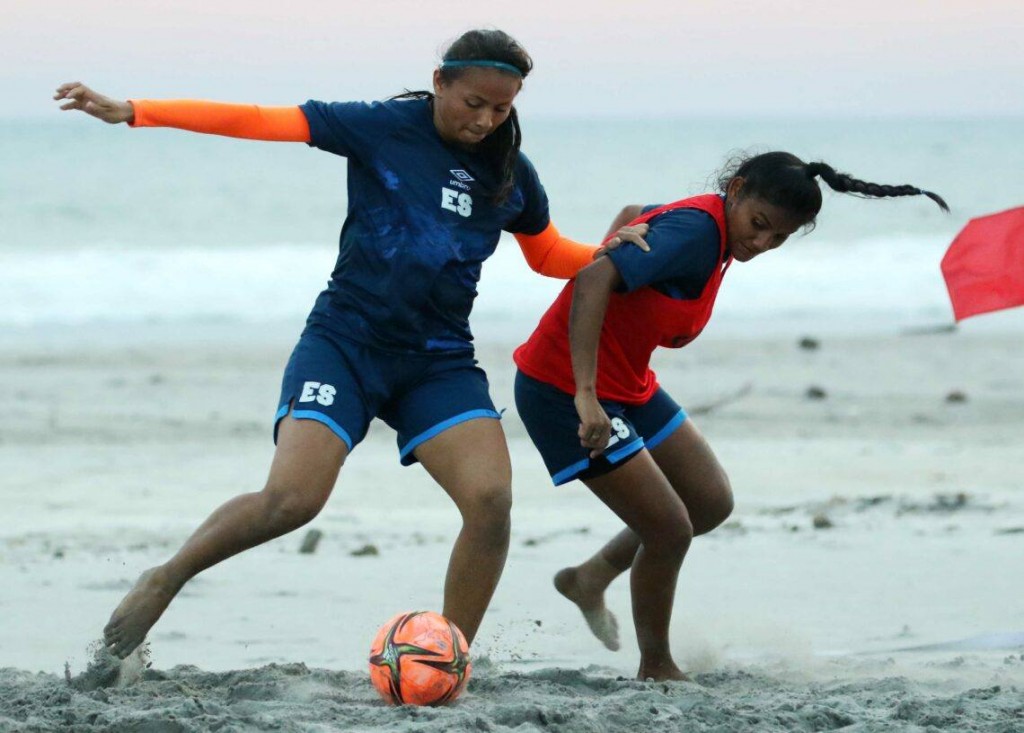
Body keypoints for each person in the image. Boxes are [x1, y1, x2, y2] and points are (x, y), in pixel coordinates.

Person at [53, 29, 648, 660]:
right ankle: (165, 578)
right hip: (346, 343)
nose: (485, 120)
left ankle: (446, 657)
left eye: (501, 109)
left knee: (491, 499)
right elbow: (259, 121)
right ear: (441, 81)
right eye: (474, 102)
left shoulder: (509, 171)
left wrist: (605, 251)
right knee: (292, 501)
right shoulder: (380, 127)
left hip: (437, 362)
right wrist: (138, 112)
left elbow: (548, 254)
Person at [513, 151, 948, 681]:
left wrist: (614, 240)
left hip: (626, 381)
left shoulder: (710, 226)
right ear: (736, 190)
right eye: (759, 225)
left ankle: (589, 578)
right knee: (670, 529)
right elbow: (592, 280)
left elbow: (636, 209)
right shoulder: (697, 233)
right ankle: (656, 665)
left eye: (779, 238)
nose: (762, 243)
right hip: (563, 388)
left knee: (708, 501)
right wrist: (585, 395)